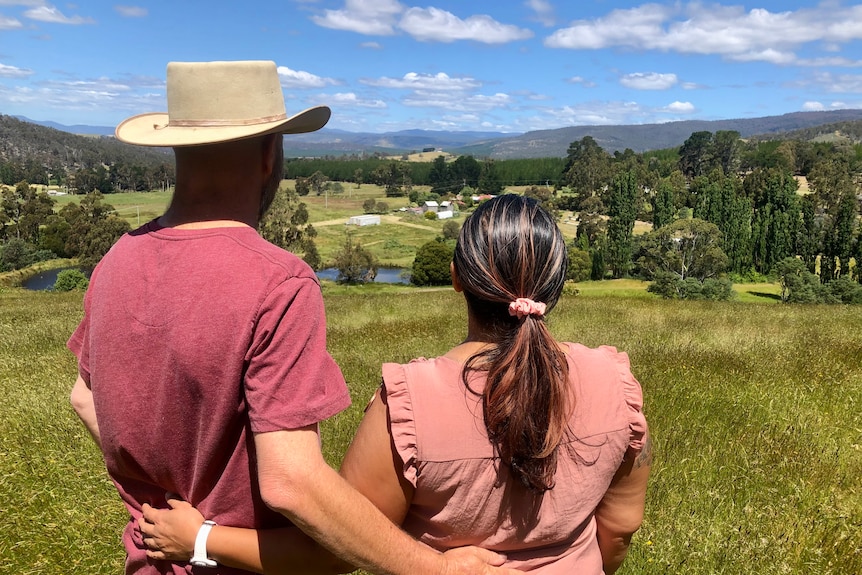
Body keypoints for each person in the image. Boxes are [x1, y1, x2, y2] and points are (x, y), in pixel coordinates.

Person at [68, 60, 514, 575]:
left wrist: (163, 497)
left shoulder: (115, 261)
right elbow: (291, 482)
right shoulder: (278, 282)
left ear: (177, 149)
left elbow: (85, 397)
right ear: (269, 153)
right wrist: (435, 569)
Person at [139, 194, 652, 574]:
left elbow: (332, 551)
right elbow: (621, 527)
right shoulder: (617, 383)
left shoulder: (410, 402)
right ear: (556, 286)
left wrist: (200, 540)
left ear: (456, 278)